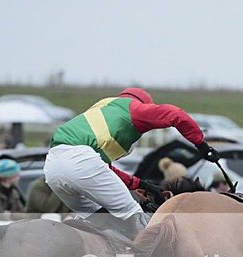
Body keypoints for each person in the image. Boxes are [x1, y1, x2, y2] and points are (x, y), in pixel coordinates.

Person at [44, 87, 219, 237]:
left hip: (52, 166)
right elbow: (175, 115)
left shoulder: (103, 107)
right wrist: (202, 145)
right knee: (134, 215)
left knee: (96, 221)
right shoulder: (135, 109)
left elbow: (103, 169)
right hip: (81, 162)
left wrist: (140, 184)